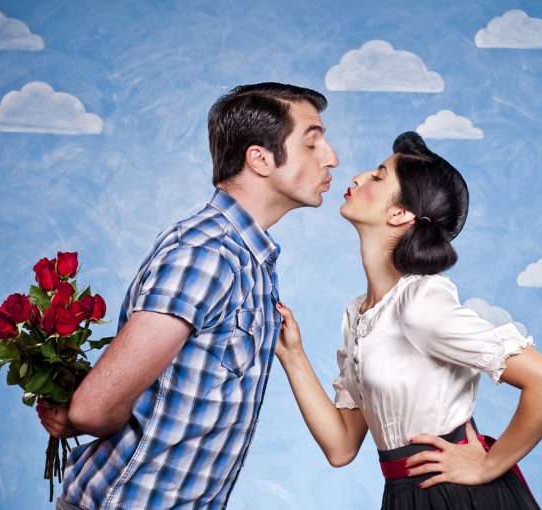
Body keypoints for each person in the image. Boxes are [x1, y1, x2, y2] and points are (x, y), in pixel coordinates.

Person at [36, 82, 339, 509]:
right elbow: (92, 410)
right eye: (312, 143)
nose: (331, 157)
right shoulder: (207, 255)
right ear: (260, 159)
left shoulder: (247, 259)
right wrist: (81, 410)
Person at [275, 131, 542, 509]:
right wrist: (292, 355)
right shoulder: (360, 315)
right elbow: (340, 447)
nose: (358, 177)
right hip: (405, 497)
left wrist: (487, 466)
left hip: (456, 496)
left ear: (400, 214)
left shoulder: (418, 303)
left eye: (378, 176)